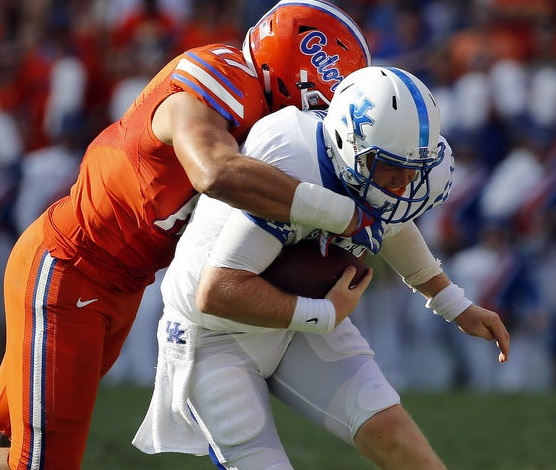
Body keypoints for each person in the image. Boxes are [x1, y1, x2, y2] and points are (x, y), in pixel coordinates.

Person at [0, 0, 379, 470]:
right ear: (299, 71)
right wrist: (340, 215)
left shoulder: (261, 123)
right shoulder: (220, 79)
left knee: (1, 421)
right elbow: (212, 170)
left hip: (117, 285)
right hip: (71, 270)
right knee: (42, 463)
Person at [131, 65, 509, 469]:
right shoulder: (293, 163)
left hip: (292, 323)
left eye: (411, 171)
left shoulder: (367, 165)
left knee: (399, 442)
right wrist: (323, 313)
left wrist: (454, 304)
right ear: (349, 143)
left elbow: (391, 221)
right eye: (392, 169)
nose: (402, 184)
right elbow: (218, 291)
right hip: (215, 337)